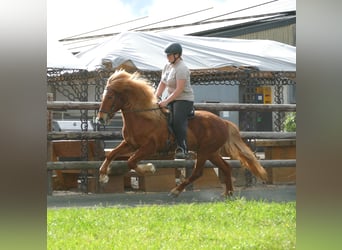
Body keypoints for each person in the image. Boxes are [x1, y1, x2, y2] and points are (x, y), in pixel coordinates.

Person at [155, 42, 195, 160]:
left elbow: (179, 89)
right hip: (172, 98)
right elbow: (162, 83)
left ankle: (183, 148)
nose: (167, 57)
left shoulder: (182, 68)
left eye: (169, 55)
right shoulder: (167, 66)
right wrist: (156, 96)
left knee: (177, 121)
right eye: (167, 55)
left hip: (183, 99)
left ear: (177, 55)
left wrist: (166, 101)